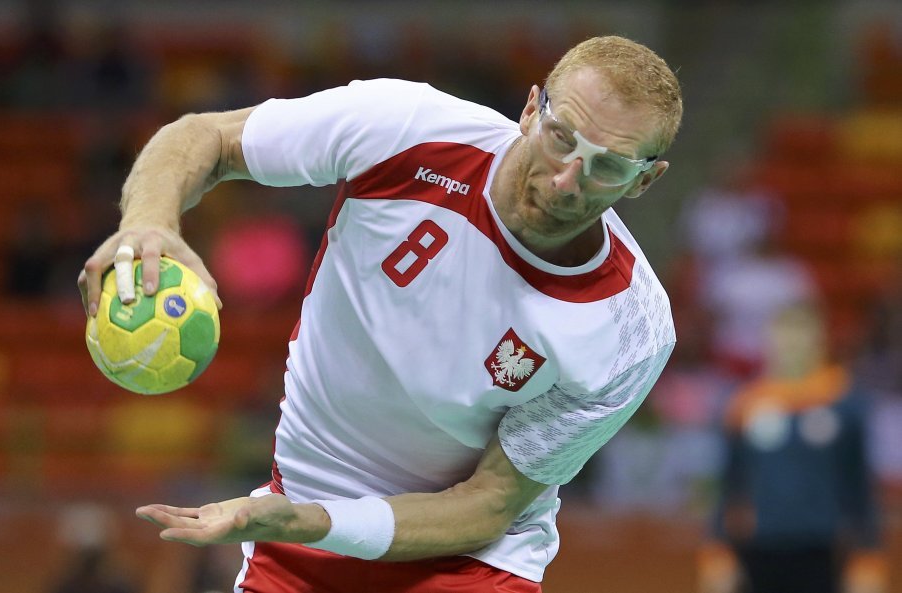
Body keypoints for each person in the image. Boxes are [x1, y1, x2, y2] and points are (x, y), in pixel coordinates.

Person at [77, 35, 683, 593]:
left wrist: (316, 521)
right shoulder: (408, 128)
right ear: (531, 110)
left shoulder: (631, 329)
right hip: (297, 530)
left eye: (607, 165)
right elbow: (206, 136)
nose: (567, 180)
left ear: (645, 181)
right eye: (561, 137)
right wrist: (148, 222)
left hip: (468, 562)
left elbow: (489, 504)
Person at [697, 302, 886, 593]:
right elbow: (730, 483)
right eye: (786, 336)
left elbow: (859, 485)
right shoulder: (745, 403)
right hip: (759, 545)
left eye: (802, 335)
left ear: (820, 340)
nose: (793, 345)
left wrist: (868, 556)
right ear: (769, 341)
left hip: (823, 547)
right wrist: (718, 550)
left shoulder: (844, 402)